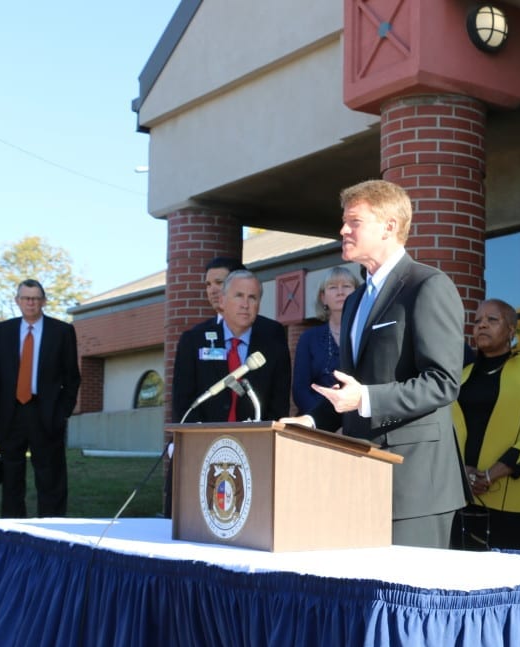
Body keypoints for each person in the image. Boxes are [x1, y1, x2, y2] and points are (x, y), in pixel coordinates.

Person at [282, 179, 466, 548]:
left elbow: (443, 382)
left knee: (411, 599)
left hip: (416, 485)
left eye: (354, 221)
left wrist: (365, 399)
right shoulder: (354, 301)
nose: (343, 230)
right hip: (362, 476)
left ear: (389, 226)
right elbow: (353, 385)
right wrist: (312, 421)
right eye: (344, 221)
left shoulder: (427, 286)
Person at [450, 299, 520, 552]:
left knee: (514, 586)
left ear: (511, 330)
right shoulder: (459, 377)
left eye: (492, 320)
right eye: (477, 321)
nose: (482, 325)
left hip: (519, 504)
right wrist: (462, 473)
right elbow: (447, 432)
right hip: (464, 497)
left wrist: (490, 475)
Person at [0, 280, 81, 518]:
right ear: (17, 301)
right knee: (11, 479)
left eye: (36, 298)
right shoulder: (3, 331)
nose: (31, 302)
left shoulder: (61, 331)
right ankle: (13, 532)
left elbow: (72, 377)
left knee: (51, 478)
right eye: (26, 298)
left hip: (46, 413)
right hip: (10, 413)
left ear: (44, 301)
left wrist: (62, 413)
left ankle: (51, 531)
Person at [172, 269, 291, 424]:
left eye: (252, 298)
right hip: (204, 440)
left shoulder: (273, 345)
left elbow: (279, 406)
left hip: (255, 441)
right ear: (222, 301)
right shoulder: (194, 341)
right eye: (239, 296)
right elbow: (182, 402)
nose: (245, 305)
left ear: (258, 305)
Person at [292, 266, 358, 413]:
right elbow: (300, 391)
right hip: (316, 423)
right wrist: (324, 420)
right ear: (323, 297)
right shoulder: (308, 338)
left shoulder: (364, 333)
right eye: (333, 287)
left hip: (357, 419)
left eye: (346, 286)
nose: (340, 292)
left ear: (357, 293)